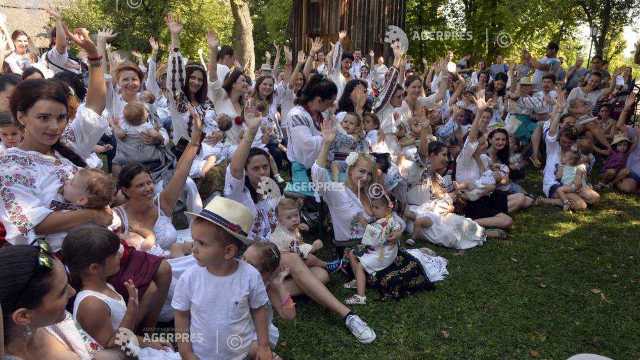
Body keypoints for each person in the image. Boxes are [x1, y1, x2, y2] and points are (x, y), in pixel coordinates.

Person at [0, 26, 110, 251]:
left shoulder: (68, 144)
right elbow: (32, 224)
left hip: (101, 247)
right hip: (64, 265)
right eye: (43, 117)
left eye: (61, 117)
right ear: (21, 117)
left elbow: (95, 106)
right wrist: (92, 214)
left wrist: (94, 56)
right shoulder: (8, 167)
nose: (54, 126)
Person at [173, 196, 275, 360]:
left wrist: (263, 346)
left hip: (240, 353)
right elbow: (181, 314)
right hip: (202, 355)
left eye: (202, 244)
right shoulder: (190, 278)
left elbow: (259, 309)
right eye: (194, 241)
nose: (194, 248)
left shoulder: (249, 276)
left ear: (228, 251)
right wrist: (186, 352)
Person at [64, 226, 179, 358]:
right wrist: (131, 311)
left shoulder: (105, 286)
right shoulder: (92, 305)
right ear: (94, 268)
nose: (120, 254)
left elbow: (120, 335)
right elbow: (113, 347)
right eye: (114, 254)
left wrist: (149, 342)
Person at [0, 244, 123, 359]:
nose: (73, 292)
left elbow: (99, 355)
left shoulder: (58, 322)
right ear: (24, 316)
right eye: (62, 292)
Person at [344, 193, 405, 305]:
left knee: (361, 265)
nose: (373, 210)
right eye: (372, 206)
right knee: (352, 253)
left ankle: (361, 296)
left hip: (383, 253)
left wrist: (365, 224)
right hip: (375, 248)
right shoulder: (380, 219)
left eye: (376, 207)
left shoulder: (389, 220)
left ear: (387, 209)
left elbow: (393, 230)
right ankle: (358, 280)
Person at [165, 15, 216, 147]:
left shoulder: (206, 101)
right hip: (185, 152)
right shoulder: (179, 98)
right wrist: (174, 36)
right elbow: (175, 74)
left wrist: (220, 134)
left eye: (200, 80)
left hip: (208, 149)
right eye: (192, 77)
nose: (196, 82)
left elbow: (215, 125)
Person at [269, 197, 331, 270]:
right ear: (280, 221)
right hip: (281, 265)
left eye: (296, 215)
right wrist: (314, 246)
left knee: (312, 264)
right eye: (289, 218)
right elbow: (300, 249)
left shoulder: (286, 226)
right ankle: (326, 265)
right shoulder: (285, 237)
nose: (294, 219)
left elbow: (294, 235)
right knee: (309, 258)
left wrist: (298, 226)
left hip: (290, 255)